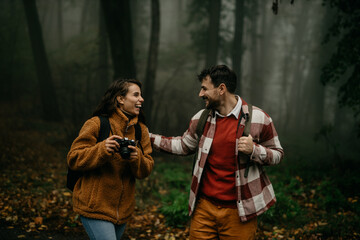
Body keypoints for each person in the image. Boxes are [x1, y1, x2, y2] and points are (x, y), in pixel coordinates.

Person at [150, 65, 284, 239]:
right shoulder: (201, 118)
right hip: (204, 209)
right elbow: (183, 145)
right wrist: (147, 137)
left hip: (240, 212)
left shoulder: (259, 118)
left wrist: (254, 150)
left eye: (204, 88)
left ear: (221, 89)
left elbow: (278, 154)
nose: (200, 94)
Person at [67, 79, 154, 240]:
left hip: (123, 212)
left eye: (141, 95)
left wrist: (137, 158)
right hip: (95, 207)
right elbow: (73, 158)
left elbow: (146, 169)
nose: (141, 99)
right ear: (120, 99)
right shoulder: (97, 124)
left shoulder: (141, 130)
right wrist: (102, 149)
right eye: (136, 95)